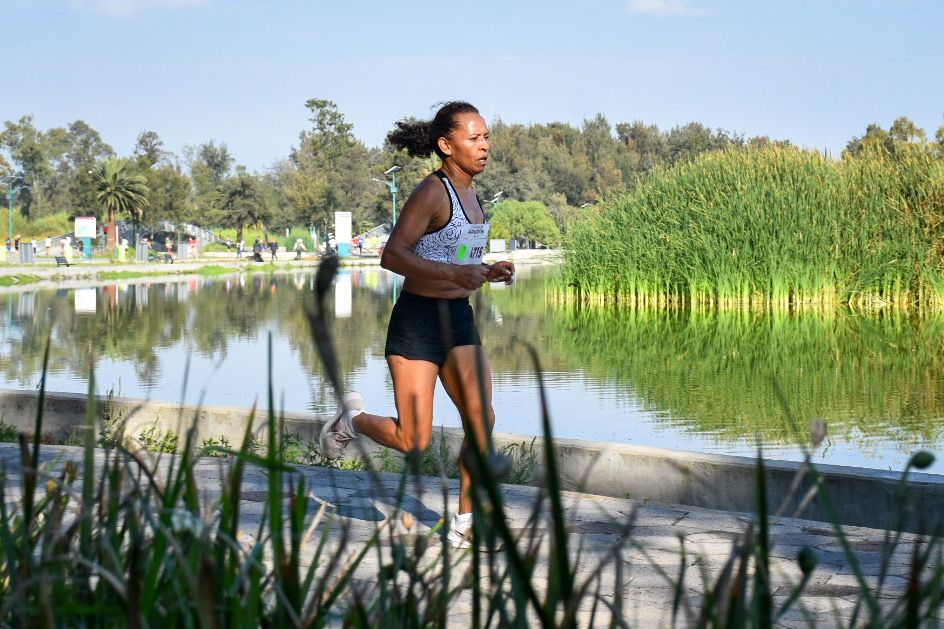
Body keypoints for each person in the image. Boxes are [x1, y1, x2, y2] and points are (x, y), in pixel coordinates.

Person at [319, 102, 514, 549]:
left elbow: (454, 258)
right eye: (474, 138)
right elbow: (393, 255)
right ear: (447, 146)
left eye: (486, 137)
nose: (484, 146)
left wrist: (486, 270)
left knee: (481, 420)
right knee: (414, 439)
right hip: (419, 323)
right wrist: (454, 275)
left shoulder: (473, 194)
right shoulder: (433, 191)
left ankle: (467, 522)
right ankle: (352, 419)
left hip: (458, 321)